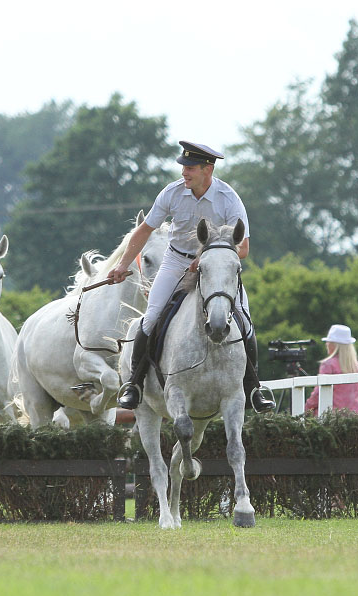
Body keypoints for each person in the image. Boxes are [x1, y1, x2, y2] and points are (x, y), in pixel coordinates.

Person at [107, 141, 274, 413]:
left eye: (191, 168)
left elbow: (242, 248)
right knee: (150, 318)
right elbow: (144, 230)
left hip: (217, 265)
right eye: (183, 167)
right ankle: (134, 385)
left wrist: (206, 257)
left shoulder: (229, 198)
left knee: (243, 319)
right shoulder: (171, 193)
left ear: (208, 169)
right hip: (176, 261)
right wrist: (123, 264)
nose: (184, 172)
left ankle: (253, 388)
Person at [305, 324, 358, 414]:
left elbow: (318, 394)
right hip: (355, 416)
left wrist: (306, 408)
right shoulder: (356, 366)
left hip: (332, 417)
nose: (326, 344)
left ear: (335, 345)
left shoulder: (328, 364)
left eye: (329, 342)